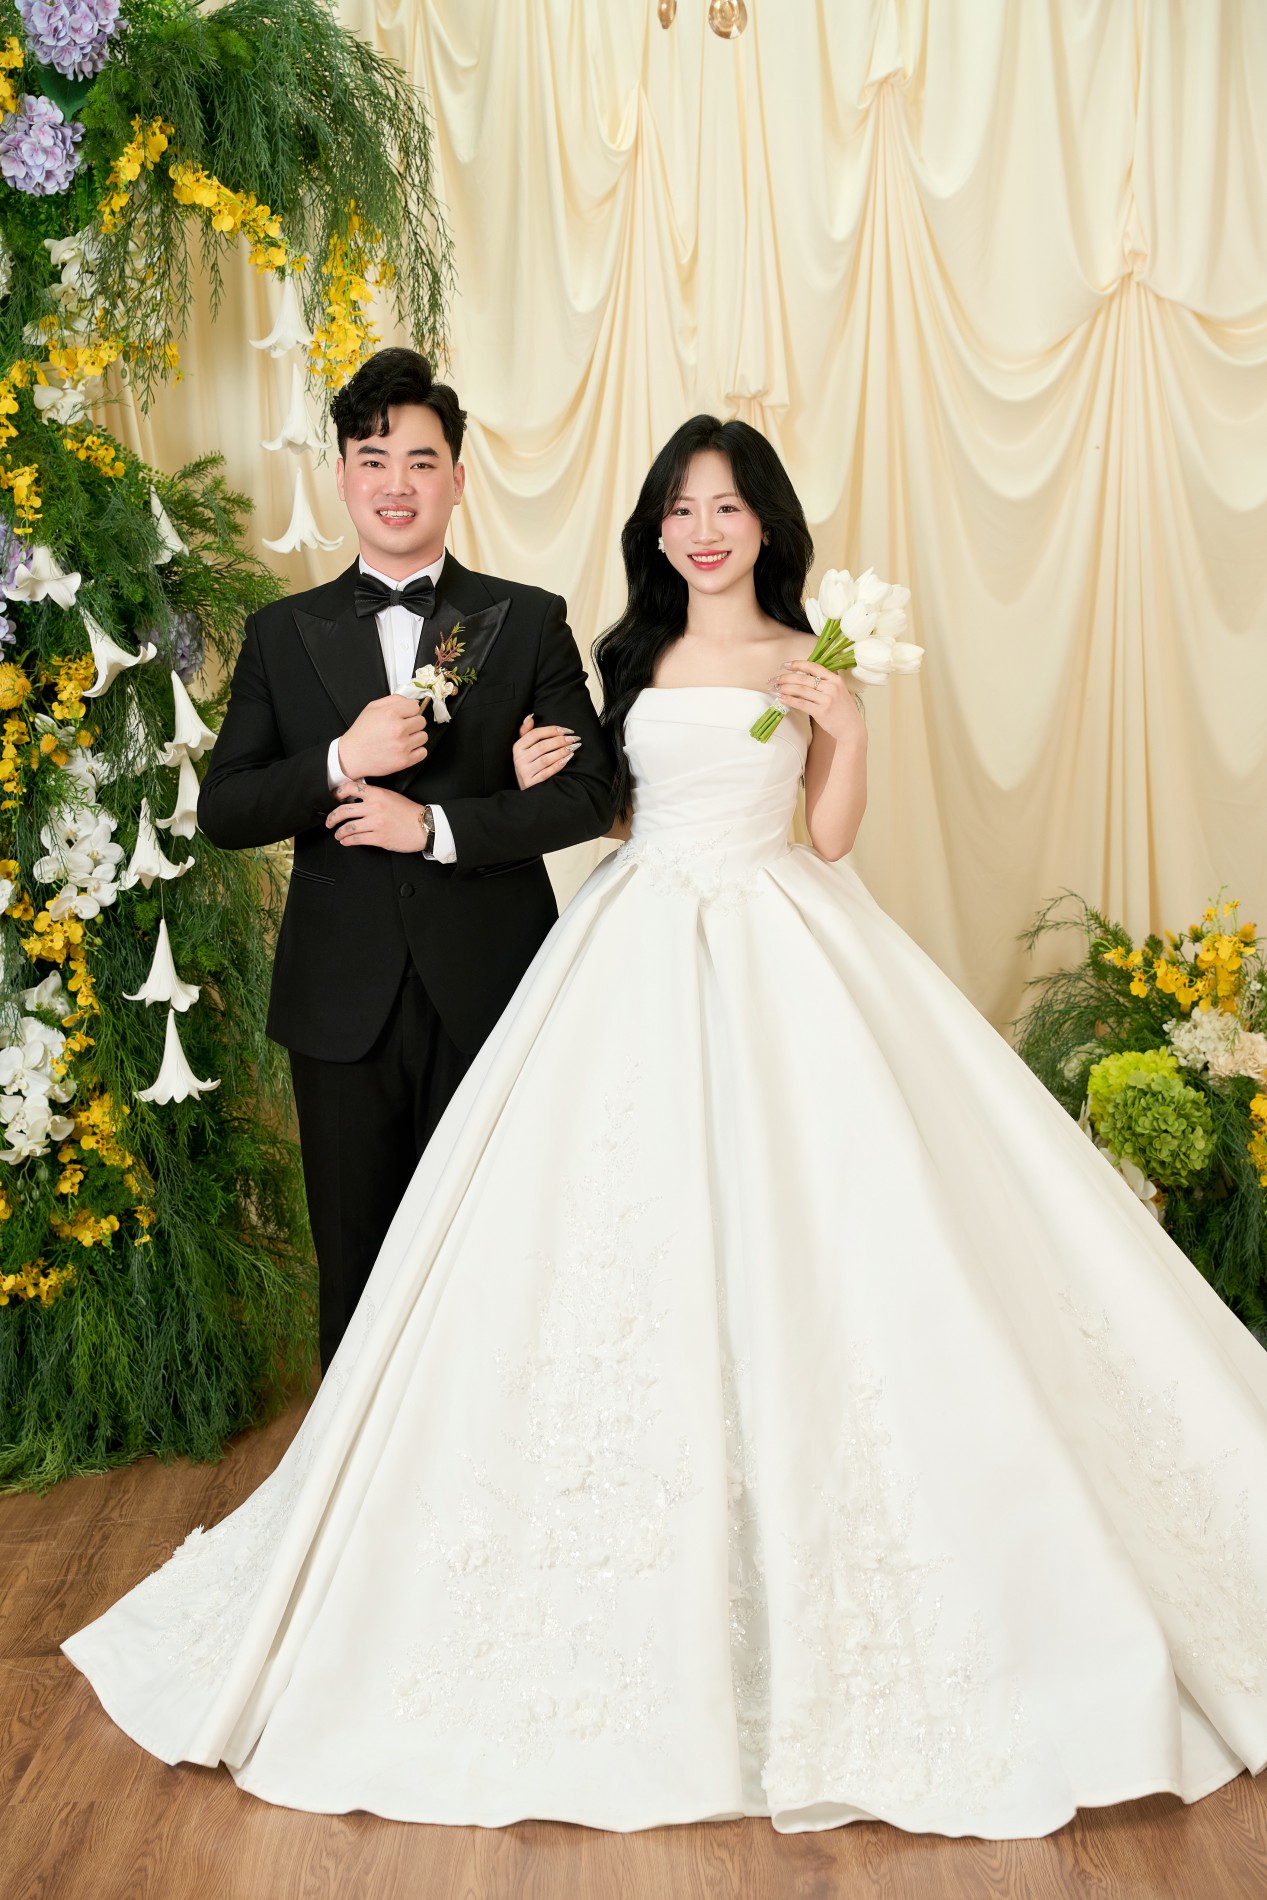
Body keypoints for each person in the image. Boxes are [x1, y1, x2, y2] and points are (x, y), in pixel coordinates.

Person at [66, 417, 1267, 1837]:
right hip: (632, 945)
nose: (703, 530)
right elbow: (614, 812)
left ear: (764, 525)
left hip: (779, 942)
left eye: (727, 508)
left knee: (832, 1241)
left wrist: (846, 732)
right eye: (682, 509)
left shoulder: (807, 655)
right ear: (655, 529)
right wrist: (536, 779)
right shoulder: (627, 653)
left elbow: (828, 837)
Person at [197, 348, 615, 1370]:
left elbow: (592, 795)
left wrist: (439, 826)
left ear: (459, 479)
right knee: (356, 1265)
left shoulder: (527, 619)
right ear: (341, 476)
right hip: (339, 1000)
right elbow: (225, 808)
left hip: (495, 987)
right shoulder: (280, 633)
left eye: (422, 461)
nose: (397, 483)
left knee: (498, 1253)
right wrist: (340, 759)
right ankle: (355, 1466)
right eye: (373, 459)